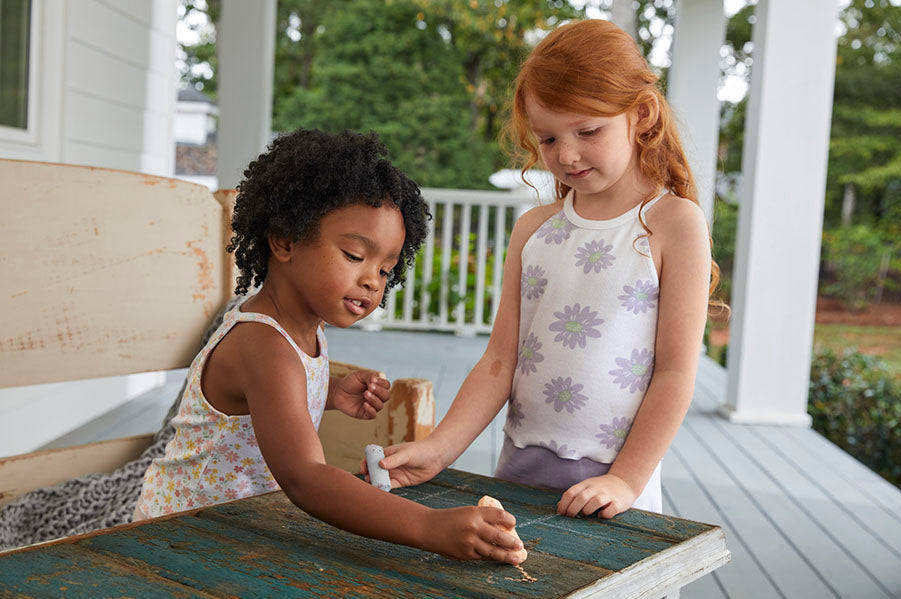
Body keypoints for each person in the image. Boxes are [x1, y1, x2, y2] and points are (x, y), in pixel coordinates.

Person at [374, 20, 724, 520]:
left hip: (614, 484)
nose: (567, 154)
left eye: (588, 131)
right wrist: (439, 449)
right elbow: (500, 359)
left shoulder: (673, 224)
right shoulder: (534, 229)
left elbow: (674, 374)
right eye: (548, 138)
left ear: (641, 115)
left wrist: (625, 480)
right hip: (518, 466)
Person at [134, 129, 526, 565]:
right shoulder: (263, 344)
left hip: (239, 527)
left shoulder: (303, 330)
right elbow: (306, 478)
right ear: (285, 240)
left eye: (385, 268)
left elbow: (267, 409)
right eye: (355, 256)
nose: (372, 281)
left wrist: (331, 394)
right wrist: (428, 526)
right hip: (175, 539)